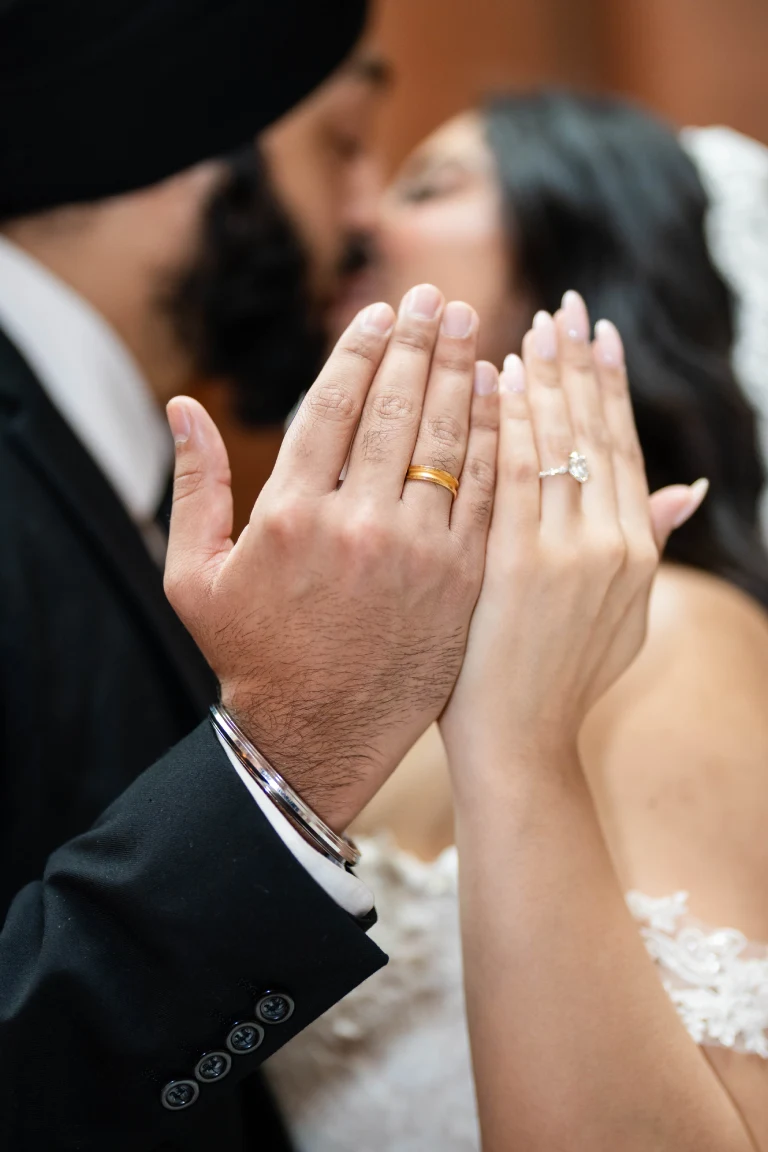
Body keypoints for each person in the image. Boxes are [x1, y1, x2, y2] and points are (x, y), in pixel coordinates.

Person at [0, 0, 518, 1147]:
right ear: (180, 133)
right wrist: (288, 759)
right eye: (341, 145)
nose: (364, 215)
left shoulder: (107, 474)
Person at [265, 93, 768, 1150]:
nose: (359, 219)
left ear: (575, 258)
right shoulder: (369, 654)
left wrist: (517, 745)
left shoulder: (676, 643)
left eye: (428, 186)